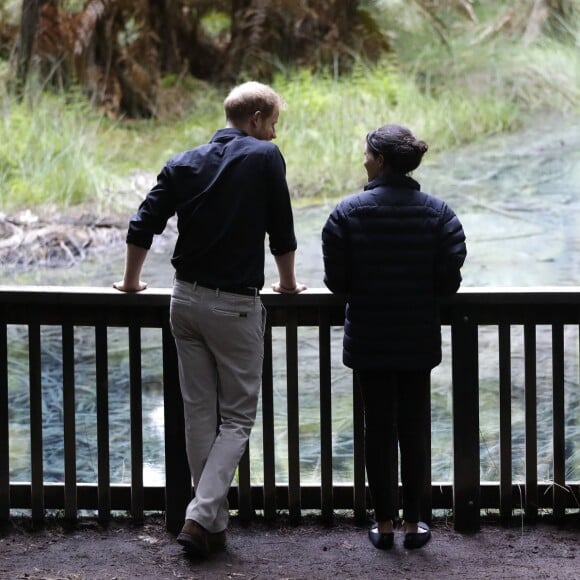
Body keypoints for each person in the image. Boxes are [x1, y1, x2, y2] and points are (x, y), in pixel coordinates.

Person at [113, 81, 307, 557]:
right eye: (273, 125)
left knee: (200, 412)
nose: (274, 135)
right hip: (234, 305)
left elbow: (144, 222)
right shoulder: (265, 157)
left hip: (185, 302)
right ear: (257, 119)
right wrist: (286, 283)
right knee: (238, 419)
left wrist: (133, 282)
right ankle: (200, 516)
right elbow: (280, 227)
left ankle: (212, 526)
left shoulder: (184, 161)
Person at [322, 124, 466, 550]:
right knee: (414, 427)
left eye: (367, 154)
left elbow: (337, 284)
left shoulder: (346, 213)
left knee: (377, 429)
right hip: (418, 338)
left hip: (369, 338)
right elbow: (447, 284)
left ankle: (384, 524)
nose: (363, 160)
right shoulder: (441, 214)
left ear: (380, 160)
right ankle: (415, 524)